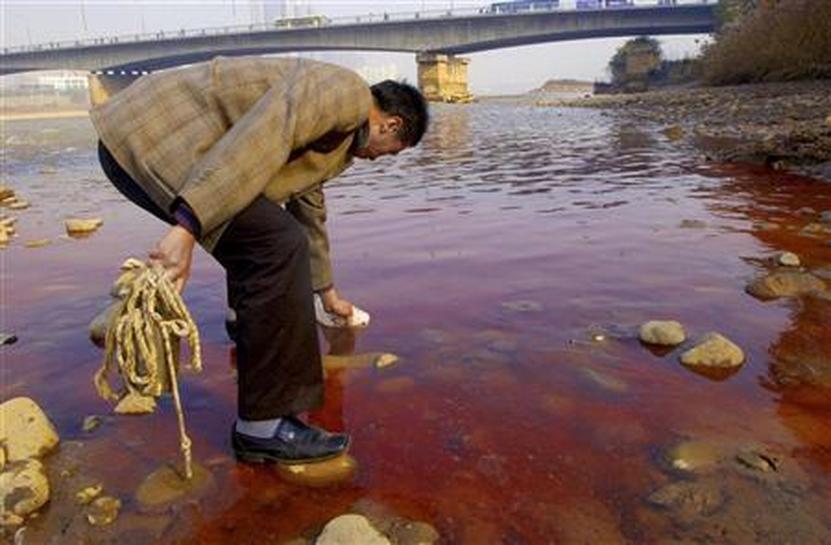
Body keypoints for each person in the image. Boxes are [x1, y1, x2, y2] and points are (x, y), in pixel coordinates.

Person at [91, 55, 429, 464]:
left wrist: (326, 293)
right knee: (275, 245)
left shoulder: (339, 138)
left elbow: (309, 207)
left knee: (269, 239)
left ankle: (244, 322)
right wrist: (187, 225)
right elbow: (266, 132)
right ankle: (262, 427)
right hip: (149, 136)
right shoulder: (344, 93)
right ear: (393, 125)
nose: (382, 159)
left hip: (151, 140)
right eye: (392, 152)